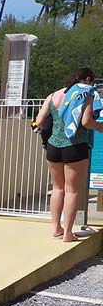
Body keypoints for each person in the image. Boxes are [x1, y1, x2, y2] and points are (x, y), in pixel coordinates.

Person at [35, 68, 103, 241]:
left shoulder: (53, 96)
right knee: (72, 191)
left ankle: (56, 228)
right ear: (87, 79)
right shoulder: (86, 93)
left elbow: (40, 121)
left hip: (53, 146)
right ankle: (68, 234)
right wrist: (98, 126)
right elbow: (86, 122)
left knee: (57, 188)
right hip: (75, 146)